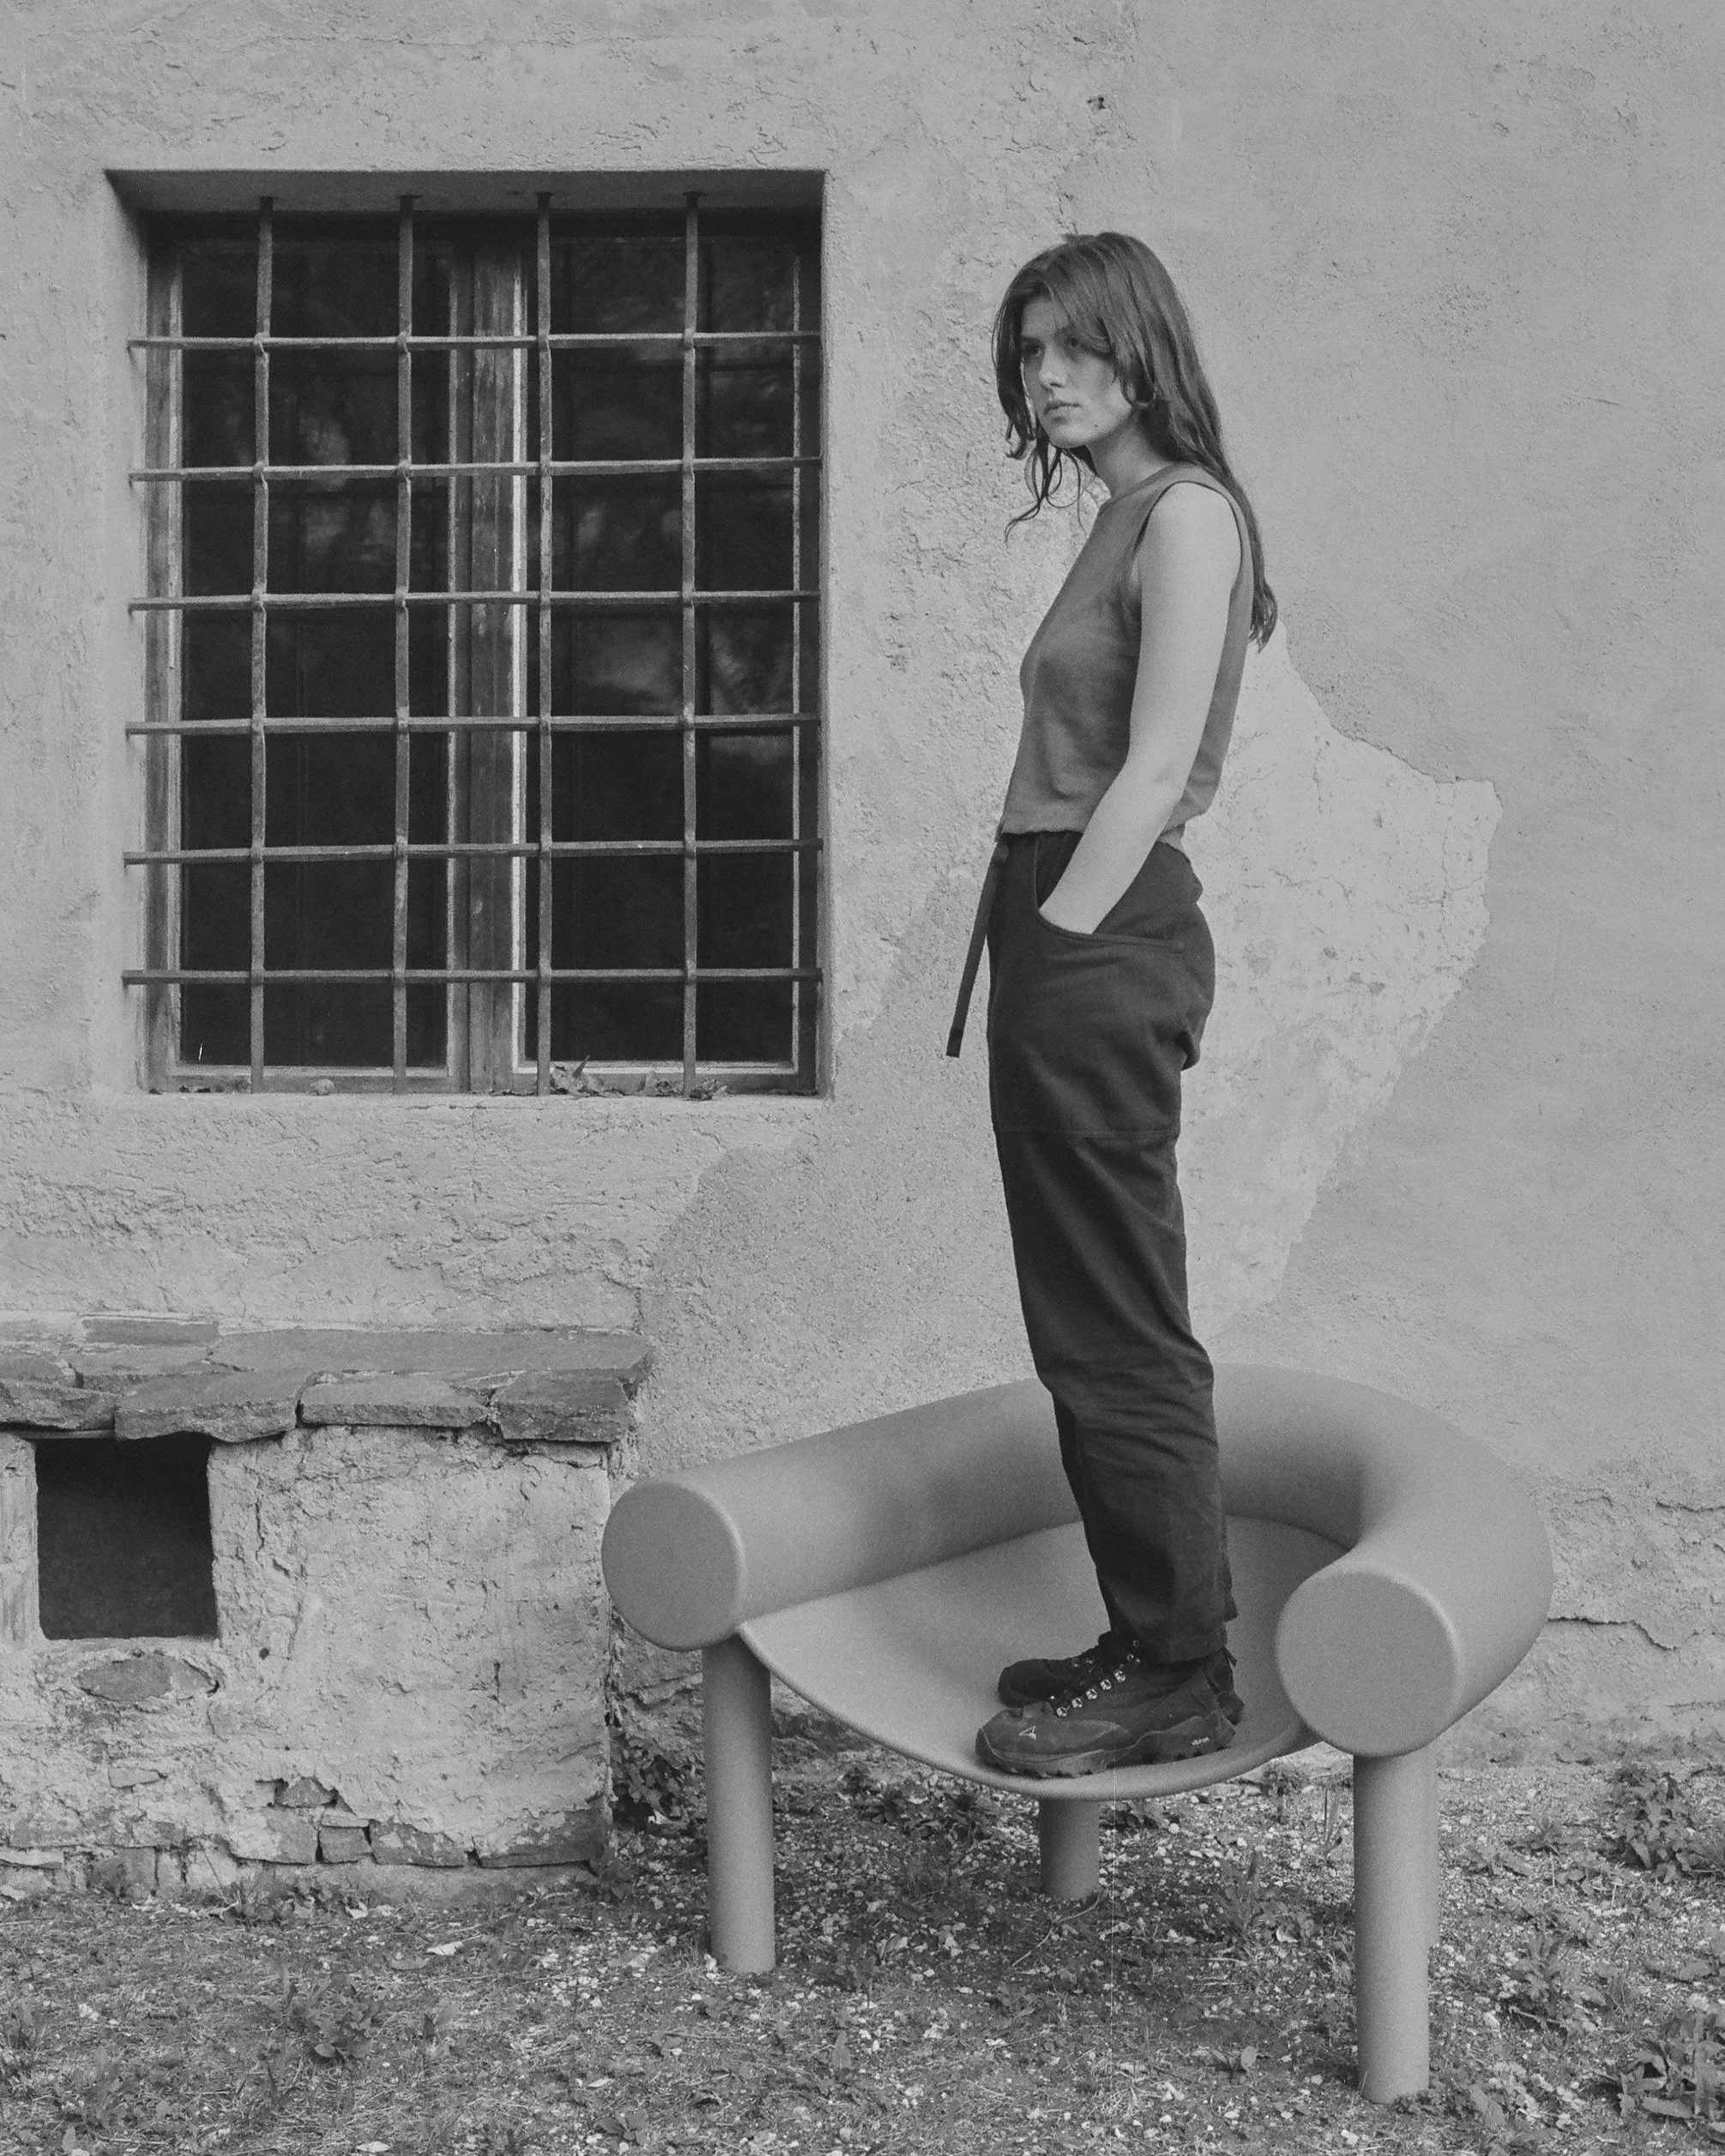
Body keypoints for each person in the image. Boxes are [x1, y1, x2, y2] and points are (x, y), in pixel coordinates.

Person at [946, 232, 1276, 1778]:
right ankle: (1144, 1633)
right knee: (1082, 1318)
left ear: (1142, 345)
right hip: (1061, 930)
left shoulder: (1187, 517)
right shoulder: (1124, 518)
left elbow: (1151, 771)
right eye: (1027, 355)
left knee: (1119, 1325)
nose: (1047, 377)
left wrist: (1064, 932)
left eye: (1073, 346)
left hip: (1097, 929)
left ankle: (1179, 1671)